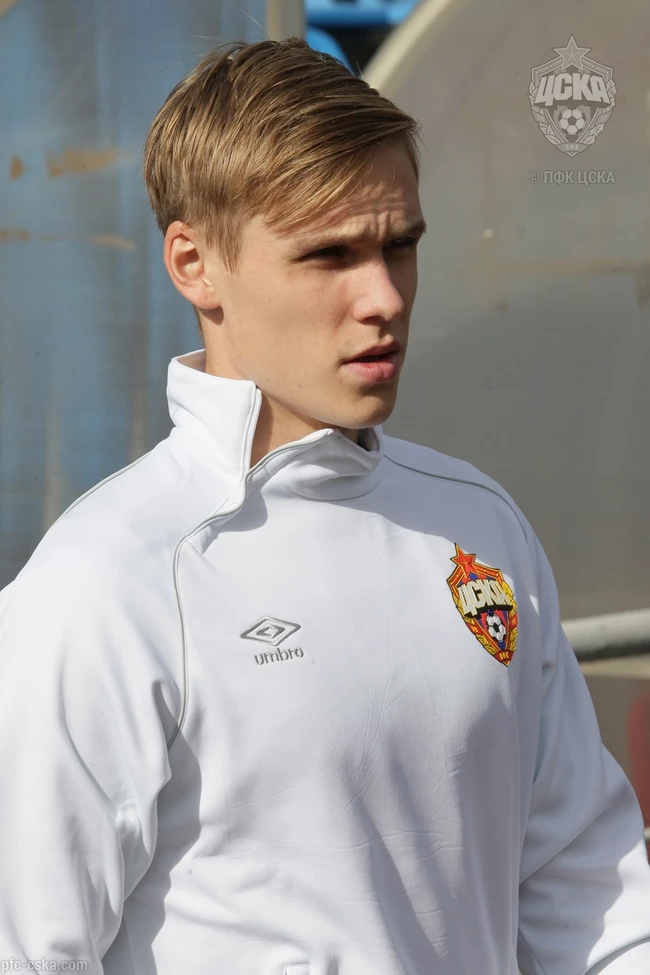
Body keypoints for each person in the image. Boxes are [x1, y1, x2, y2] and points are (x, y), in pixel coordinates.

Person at [0, 36, 648, 975]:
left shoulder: (479, 523)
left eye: (401, 245)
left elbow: (589, 890)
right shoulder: (106, 583)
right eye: (329, 254)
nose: (383, 296)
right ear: (194, 263)